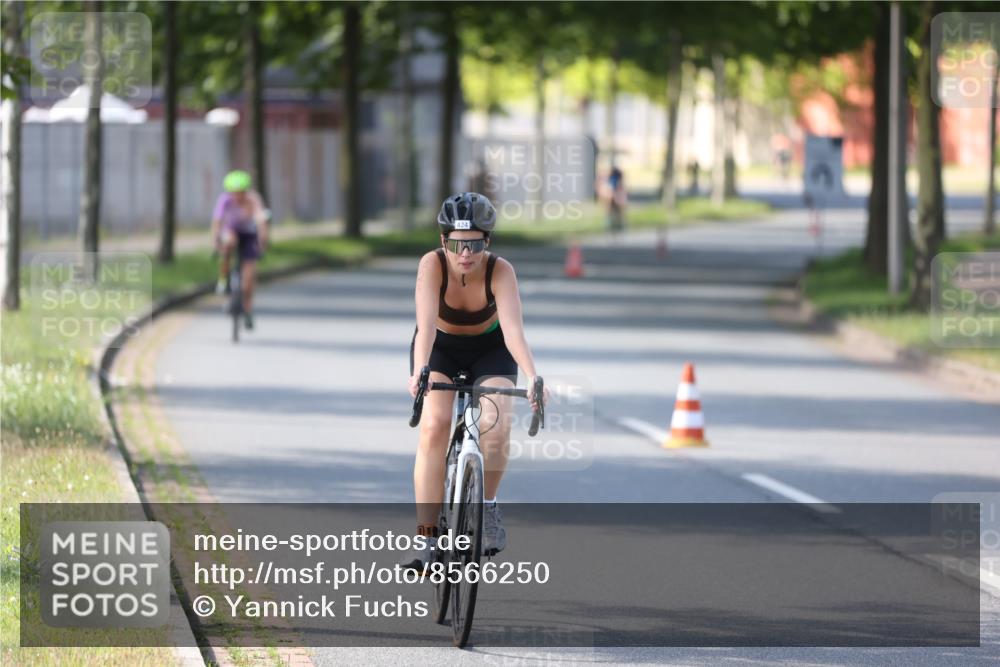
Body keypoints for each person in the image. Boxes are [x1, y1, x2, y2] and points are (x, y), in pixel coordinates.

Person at [404, 192, 543, 570]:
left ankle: (487, 506)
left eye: (475, 244)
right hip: (441, 349)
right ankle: (426, 537)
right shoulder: (431, 265)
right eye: (457, 244)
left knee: (496, 426)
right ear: (443, 241)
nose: (465, 253)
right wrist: (420, 371)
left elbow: (514, 332)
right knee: (434, 425)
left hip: (490, 349)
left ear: (488, 242)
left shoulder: (501, 271)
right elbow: (426, 326)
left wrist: (532, 376)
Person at [210, 170, 269, 330]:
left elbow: (261, 222)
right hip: (232, 231)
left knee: (248, 280)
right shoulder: (224, 201)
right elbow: (217, 221)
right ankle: (223, 278)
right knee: (228, 241)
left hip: (249, 234)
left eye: (241, 193)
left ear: (246, 191)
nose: (237, 196)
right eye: (234, 193)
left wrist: (263, 240)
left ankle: (248, 310)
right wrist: (215, 241)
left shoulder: (253, 200)